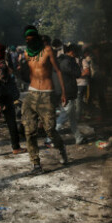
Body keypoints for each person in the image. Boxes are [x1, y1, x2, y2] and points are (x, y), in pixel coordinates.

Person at [17, 25, 68, 175]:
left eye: (31, 39)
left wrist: (63, 92)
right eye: (26, 39)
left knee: (50, 129)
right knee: (29, 130)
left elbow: (58, 71)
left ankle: (61, 149)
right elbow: (30, 74)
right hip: (32, 93)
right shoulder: (26, 53)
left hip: (47, 93)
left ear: (37, 38)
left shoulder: (47, 51)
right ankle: (36, 164)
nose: (29, 41)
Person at [0, 43, 26, 158]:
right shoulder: (2, 64)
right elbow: (1, 78)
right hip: (3, 97)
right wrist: (9, 73)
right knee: (11, 121)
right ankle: (16, 147)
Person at [54, 44, 84, 144]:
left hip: (64, 92)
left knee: (71, 118)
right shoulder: (67, 62)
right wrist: (77, 63)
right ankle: (49, 138)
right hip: (67, 92)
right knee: (64, 116)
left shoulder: (61, 60)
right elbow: (78, 74)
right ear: (72, 52)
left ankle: (78, 137)